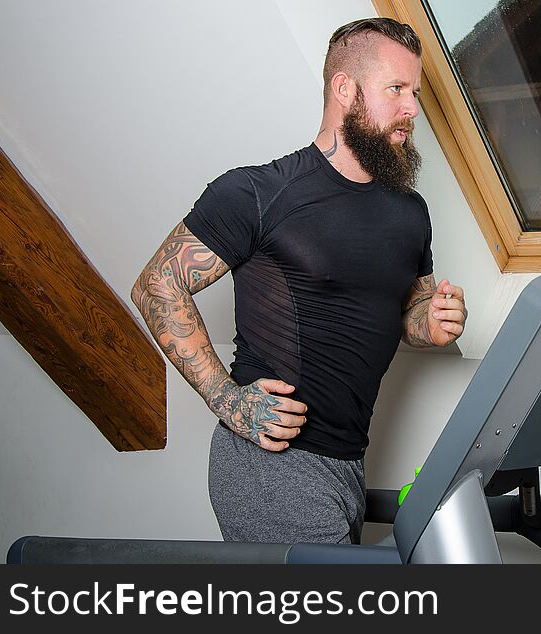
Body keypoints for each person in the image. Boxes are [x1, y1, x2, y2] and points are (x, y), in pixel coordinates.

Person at [130, 17, 467, 546]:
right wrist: (227, 399)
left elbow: (408, 313)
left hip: (349, 464)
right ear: (344, 89)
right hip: (271, 465)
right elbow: (157, 285)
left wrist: (434, 323)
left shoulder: (410, 212)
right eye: (396, 90)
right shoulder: (260, 193)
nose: (411, 110)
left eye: (415, 93)